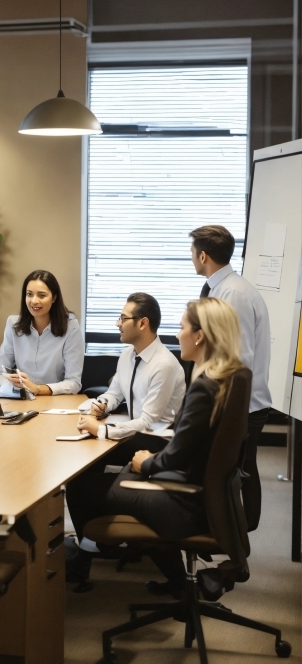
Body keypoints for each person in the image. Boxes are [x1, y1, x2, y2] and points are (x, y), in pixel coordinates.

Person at [72, 297, 247, 595]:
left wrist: (147, 464)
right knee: (119, 473)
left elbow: (179, 454)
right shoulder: (228, 378)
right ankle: (174, 579)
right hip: (202, 493)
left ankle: (95, 552)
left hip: (185, 502)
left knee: (81, 486)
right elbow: (189, 447)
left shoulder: (203, 387)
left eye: (182, 328)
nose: (177, 335)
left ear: (199, 335)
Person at [66, 292, 185, 564]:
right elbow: (115, 393)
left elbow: (148, 421)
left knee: (82, 481)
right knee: (83, 466)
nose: (118, 323)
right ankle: (101, 542)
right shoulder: (128, 355)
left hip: (159, 442)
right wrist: (102, 406)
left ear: (143, 323)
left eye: (123, 318)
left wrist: (102, 430)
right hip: (138, 435)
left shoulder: (164, 365)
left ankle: (93, 548)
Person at [190, 225, 271, 531]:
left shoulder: (232, 293)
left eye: (192, 254)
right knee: (240, 468)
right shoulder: (223, 288)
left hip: (242, 405)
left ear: (203, 255)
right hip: (240, 401)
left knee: (239, 470)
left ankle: (242, 535)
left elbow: (240, 358)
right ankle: (240, 535)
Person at [0, 269, 84, 397]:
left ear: (54, 298)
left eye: (41, 295)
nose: (34, 301)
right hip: (22, 399)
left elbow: (74, 383)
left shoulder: (71, 328)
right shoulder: (13, 324)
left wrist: (37, 389)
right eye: (29, 294)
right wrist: (14, 384)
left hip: (55, 402)